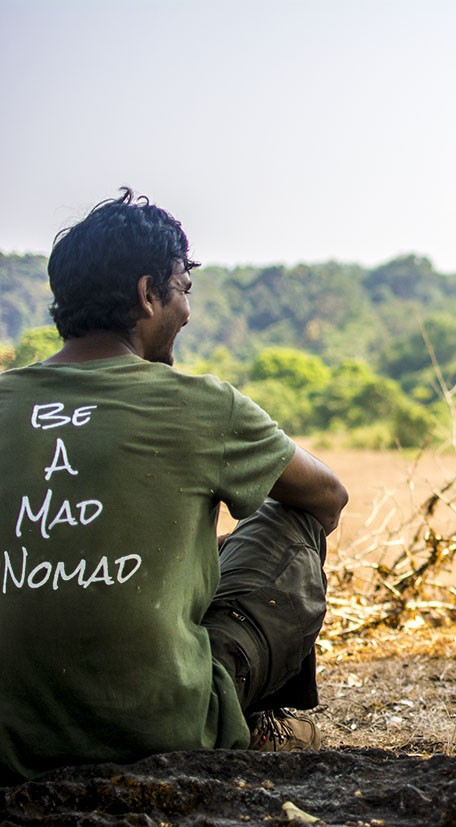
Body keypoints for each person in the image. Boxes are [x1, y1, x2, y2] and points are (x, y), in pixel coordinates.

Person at [0, 189, 349, 785]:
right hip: (163, 728)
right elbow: (328, 497)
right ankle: (254, 720)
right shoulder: (202, 404)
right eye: (183, 290)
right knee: (290, 518)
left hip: (10, 742)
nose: (186, 312)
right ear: (147, 294)